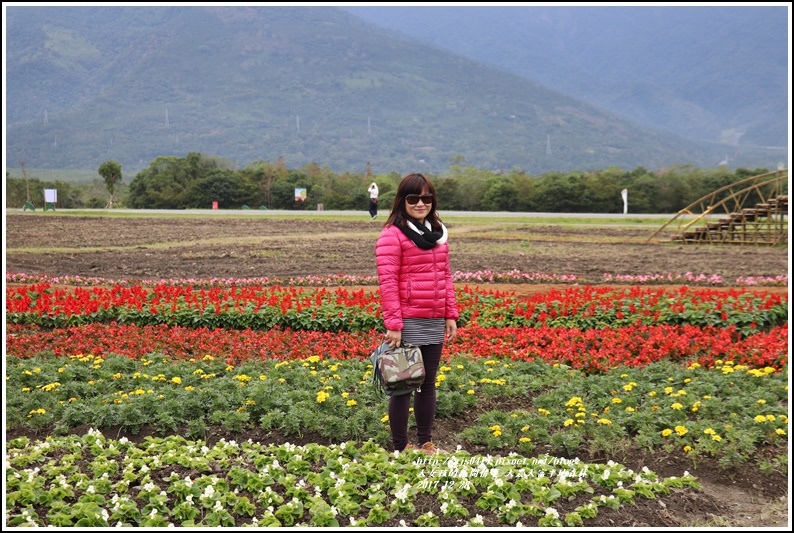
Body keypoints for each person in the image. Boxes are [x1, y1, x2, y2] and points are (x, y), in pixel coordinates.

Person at [375, 172, 459, 454]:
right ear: (402, 201)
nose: (421, 203)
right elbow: (387, 283)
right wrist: (394, 324)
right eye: (414, 198)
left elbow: (445, 276)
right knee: (404, 384)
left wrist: (450, 313)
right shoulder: (392, 235)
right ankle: (401, 446)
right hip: (408, 321)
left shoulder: (437, 235)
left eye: (427, 198)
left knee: (428, 384)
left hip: (433, 319)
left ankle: (425, 443)